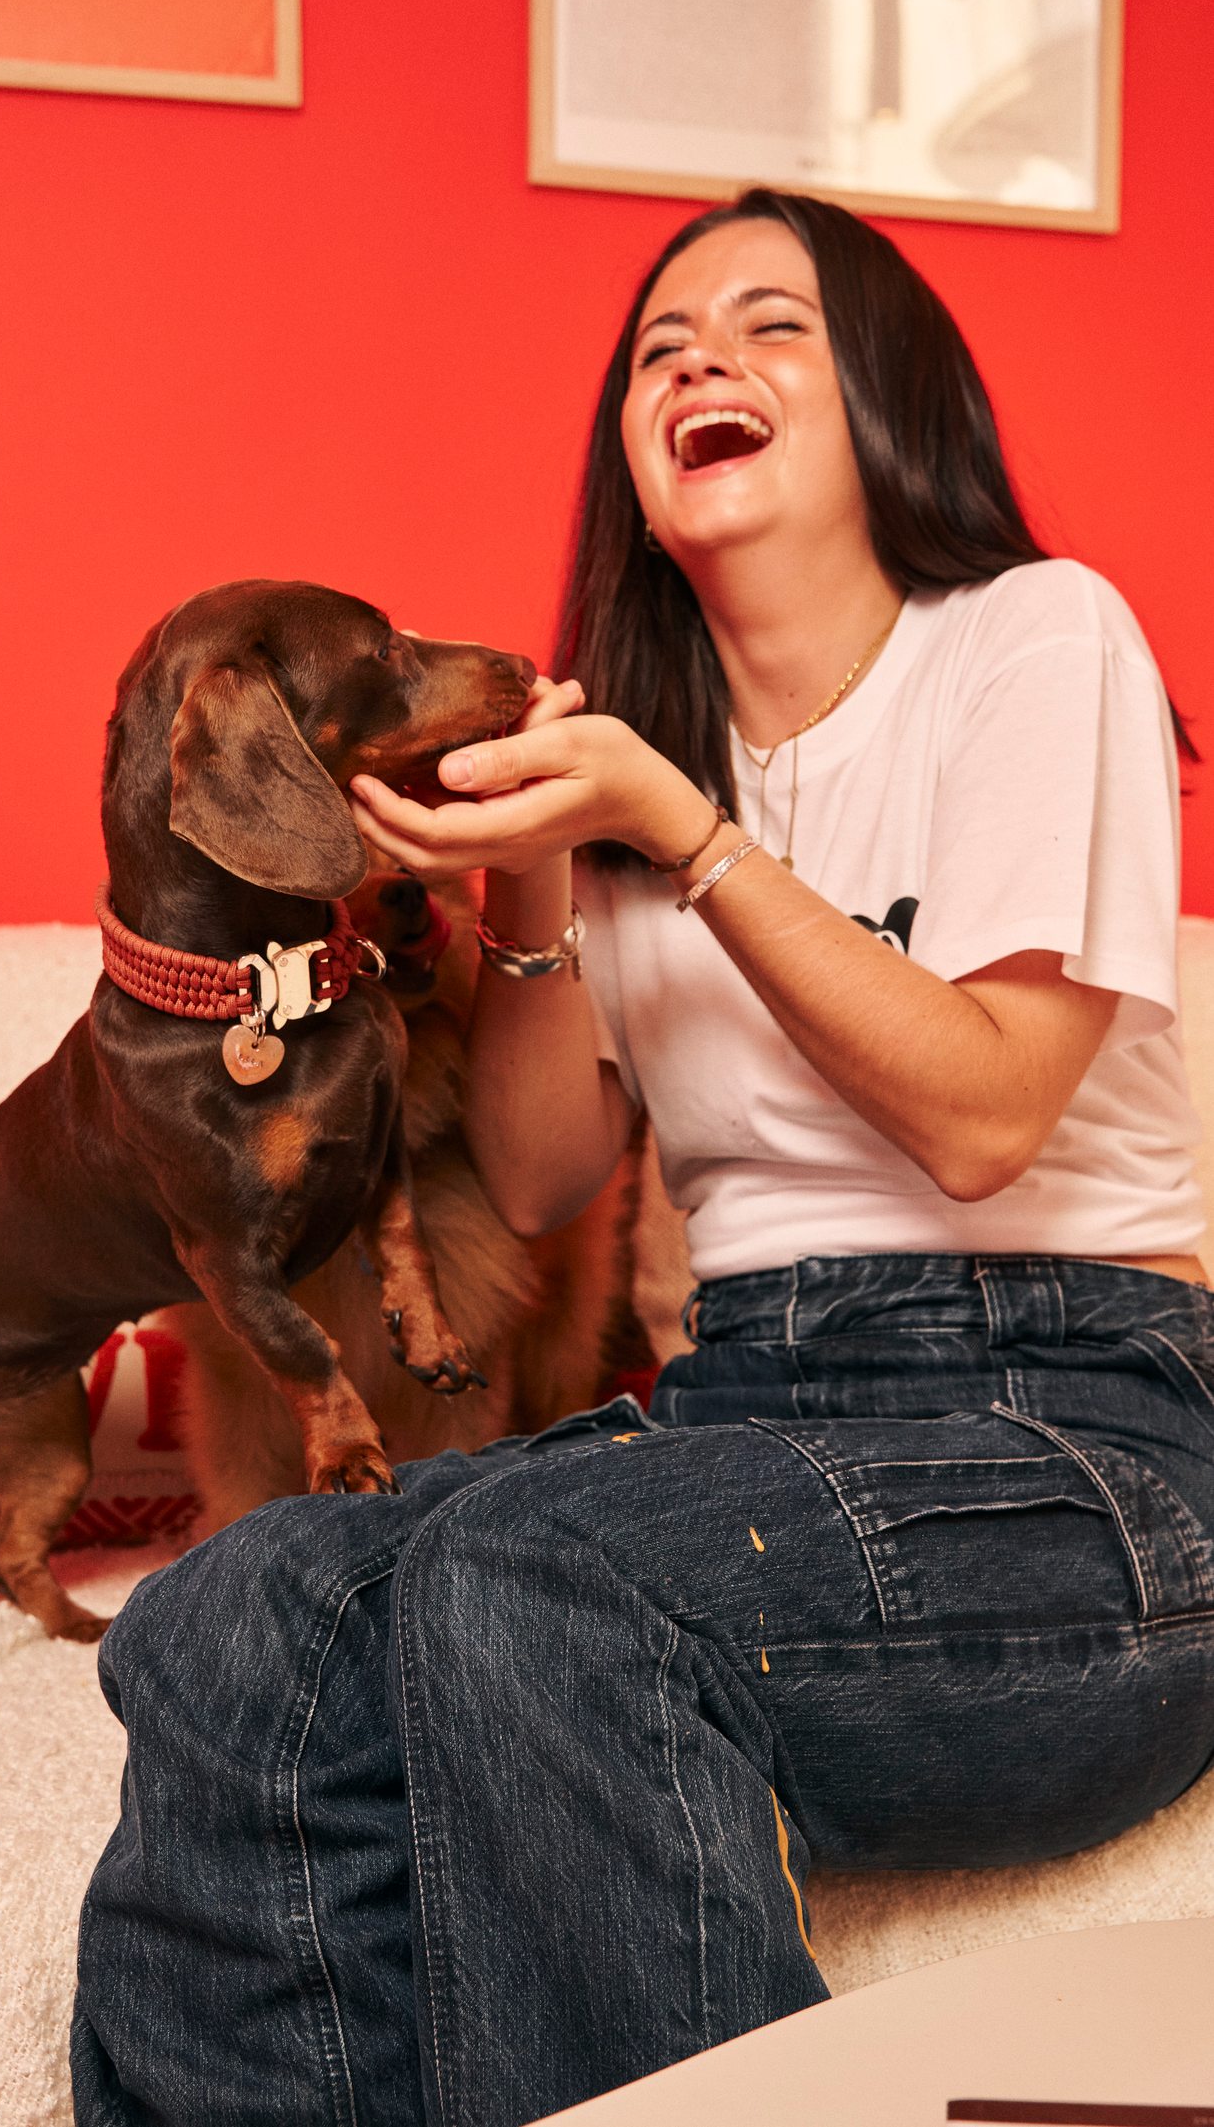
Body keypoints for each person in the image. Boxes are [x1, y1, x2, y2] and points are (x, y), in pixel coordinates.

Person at [71, 190, 1214, 2127]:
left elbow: (986, 1110)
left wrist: (681, 832)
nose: (701, 359)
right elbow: (533, 1179)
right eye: (663, 344)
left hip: (1084, 1438)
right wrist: (534, 876)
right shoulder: (627, 762)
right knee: (226, 1619)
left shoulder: (1036, 639)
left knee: (535, 1579)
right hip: (749, 1415)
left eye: (774, 326)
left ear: (891, 403)